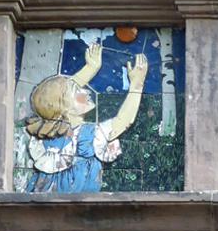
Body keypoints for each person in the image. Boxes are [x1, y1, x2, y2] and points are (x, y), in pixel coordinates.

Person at [25, 43, 149, 193]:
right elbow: (124, 120)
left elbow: (64, 90)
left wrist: (91, 68)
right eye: (79, 91)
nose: (86, 92)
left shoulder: (51, 134)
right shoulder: (88, 135)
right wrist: (137, 84)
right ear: (66, 108)